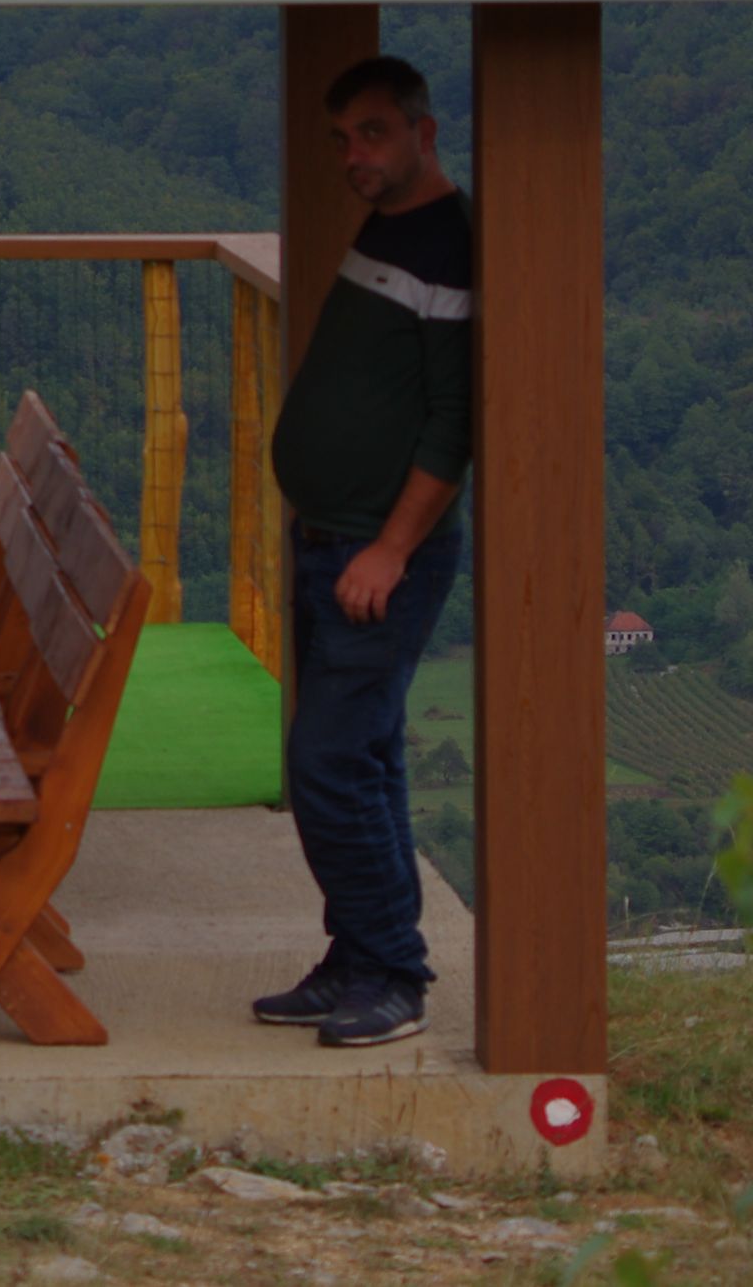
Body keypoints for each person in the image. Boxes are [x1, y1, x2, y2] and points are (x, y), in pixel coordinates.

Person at [254, 54, 473, 1050]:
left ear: (424, 132)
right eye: (343, 139)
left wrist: (389, 547)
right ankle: (353, 958)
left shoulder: (448, 245)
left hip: (377, 555)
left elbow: (449, 421)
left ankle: (394, 972)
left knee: (330, 760)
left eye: (373, 134)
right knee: (362, 753)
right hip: (329, 540)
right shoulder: (388, 227)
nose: (354, 156)